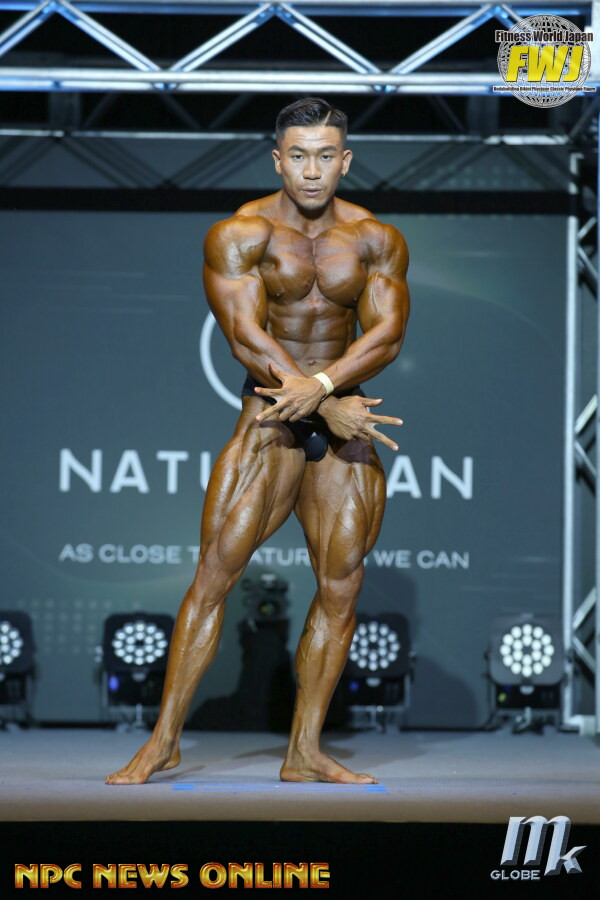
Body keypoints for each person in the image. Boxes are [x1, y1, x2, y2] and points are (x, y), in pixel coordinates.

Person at [106, 97, 410, 786]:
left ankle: (304, 750)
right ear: (278, 160)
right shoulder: (240, 234)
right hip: (270, 419)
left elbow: (387, 335)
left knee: (342, 587)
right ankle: (163, 742)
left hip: (342, 421)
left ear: (345, 160)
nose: (312, 170)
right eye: (298, 156)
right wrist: (320, 401)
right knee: (214, 575)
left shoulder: (376, 238)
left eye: (325, 155)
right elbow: (246, 337)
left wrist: (324, 387)